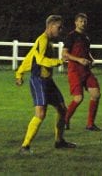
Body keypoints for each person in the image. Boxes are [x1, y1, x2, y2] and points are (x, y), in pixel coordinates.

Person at [16, 15, 76, 154]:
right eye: (58, 27)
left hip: (48, 81)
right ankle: (25, 147)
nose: (60, 30)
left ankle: (59, 141)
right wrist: (59, 61)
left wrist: (19, 73)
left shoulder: (48, 41)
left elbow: (30, 56)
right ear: (50, 26)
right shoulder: (42, 40)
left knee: (62, 110)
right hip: (38, 81)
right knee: (40, 113)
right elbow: (41, 60)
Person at [63, 13, 101, 131]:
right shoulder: (71, 36)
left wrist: (91, 59)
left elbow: (87, 52)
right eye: (80, 21)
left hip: (86, 70)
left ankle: (90, 124)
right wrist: (79, 59)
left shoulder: (86, 37)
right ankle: (64, 120)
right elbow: (64, 54)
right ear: (76, 22)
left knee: (96, 94)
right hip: (75, 70)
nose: (83, 23)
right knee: (78, 98)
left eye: (85, 21)